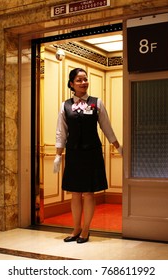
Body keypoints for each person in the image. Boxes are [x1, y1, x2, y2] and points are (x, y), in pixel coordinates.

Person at [53, 68, 122, 244]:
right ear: (71, 84)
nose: (84, 83)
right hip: (74, 152)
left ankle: (86, 229)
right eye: (79, 80)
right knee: (75, 193)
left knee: (89, 193)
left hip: (92, 151)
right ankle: (76, 228)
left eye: (85, 79)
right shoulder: (65, 105)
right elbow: (61, 131)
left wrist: (117, 146)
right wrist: (58, 155)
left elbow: (106, 126)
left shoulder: (96, 103)